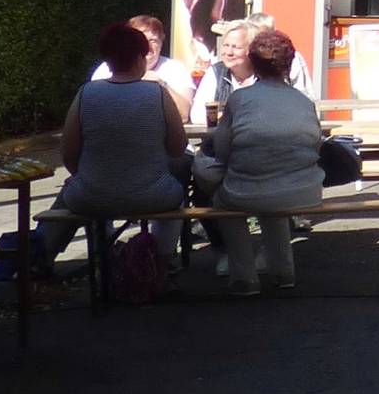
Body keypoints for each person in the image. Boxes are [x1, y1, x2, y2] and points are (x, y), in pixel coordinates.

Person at [38, 22, 191, 263]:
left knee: (72, 190)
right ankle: (162, 259)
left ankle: (88, 256)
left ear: (107, 60)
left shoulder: (86, 93)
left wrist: (85, 176)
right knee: (178, 194)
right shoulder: (158, 94)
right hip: (153, 195)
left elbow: (68, 152)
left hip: (91, 195)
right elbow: (178, 147)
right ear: (140, 58)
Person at [193, 29, 327, 294]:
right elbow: (315, 143)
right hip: (303, 190)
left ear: (253, 61)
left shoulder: (240, 99)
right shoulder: (304, 101)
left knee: (225, 199)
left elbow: (222, 150)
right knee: (272, 194)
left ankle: (244, 277)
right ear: (289, 63)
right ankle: (283, 272)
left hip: (249, 189)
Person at [90, 14, 197, 117]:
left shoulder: (176, 69)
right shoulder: (105, 69)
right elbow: (93, 111)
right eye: (141, 41)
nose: (147, 47)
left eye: (153, 40)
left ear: (162, 41)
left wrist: (162, 86)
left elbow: (184, 114)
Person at [189, 23, 258, 126]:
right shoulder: (215, 73)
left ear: (251, 49)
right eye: (226, 45)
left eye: (236, 47)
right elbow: (197, 115)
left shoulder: (264, 75)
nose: (229, 52)